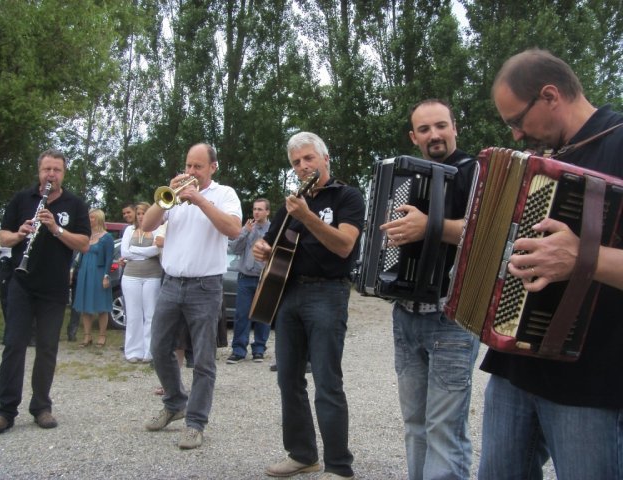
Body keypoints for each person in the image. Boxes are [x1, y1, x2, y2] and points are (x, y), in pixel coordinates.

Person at [478, 49, 623, 479]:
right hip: (514, 366)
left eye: (517, 121)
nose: (517, 136)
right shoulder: (544, 162)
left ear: (550, 95)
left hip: (590, 381)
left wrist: (583, 257)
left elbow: (578, 255)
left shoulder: (618, 142)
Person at [254, 132, 365, 480]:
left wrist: (309, 216)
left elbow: (345, 245)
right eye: (296, 162)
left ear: (325, 159)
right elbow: (270, 247)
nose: (303, 167)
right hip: (288, 294)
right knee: (288, 379)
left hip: (328, 294)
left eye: (308, 159)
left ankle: (338, 466)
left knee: (327, 381)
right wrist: (261, 250)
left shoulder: (347, 196)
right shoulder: (292, 204)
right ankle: (302, 455)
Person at [379, 99, 480, 479]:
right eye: (424, 129)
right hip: (404, 316)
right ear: (413, 136)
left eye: (441, 126)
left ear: (455, 127)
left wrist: (431, 227)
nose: (434, 135)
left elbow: (488, 235)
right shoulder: (406, 178)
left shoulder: (474, 172)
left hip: (450, 315)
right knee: (415, 425)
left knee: (444, 430)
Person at [141, 143, 241, 450]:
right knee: (158, 348)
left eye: (197, 167)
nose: (191, 173)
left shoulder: (225, 194)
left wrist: (199, 200)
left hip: (205, 286)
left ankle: (195, 422)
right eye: (188, 166)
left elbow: (234, 229)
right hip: (171, 284)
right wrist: (166, 201)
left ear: (213, 167)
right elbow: (146, 225)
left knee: (204, 360)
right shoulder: (175, 197)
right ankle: (175, 403)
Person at [0, 148, 90, 435]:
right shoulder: (22, 199)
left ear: (63, 173)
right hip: (22, 283)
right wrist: (20, 233)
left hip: (54, 288)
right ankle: (5, 411)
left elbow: (83, 244)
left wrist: (55, 229)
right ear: (39, 172)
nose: (51, 175)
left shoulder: (75, 204)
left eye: (56, 170)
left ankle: (41, 407)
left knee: (47, 348)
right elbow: (1, 238)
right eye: (47, 170)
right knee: (14, 345)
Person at [226, 198, 272, 364]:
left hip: (264, 279)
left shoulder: (273, 230)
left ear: (267, 212)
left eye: (260, 209)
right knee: (241, 315)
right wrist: (245, 231)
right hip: (245, 278)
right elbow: (233, 249)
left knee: (262, 315)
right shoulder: (247, 228)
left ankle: (259, 349)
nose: (256, 212)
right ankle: (238, 350)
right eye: (254, 209)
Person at [120, 202, 163, 363]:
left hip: (152, 275)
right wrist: (145, 253)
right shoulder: (129, 231)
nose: (140, 216)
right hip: (131, 275)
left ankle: (149, 351)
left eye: (143, 213)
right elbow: (124, 252)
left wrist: (134, 252)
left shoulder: (157, 229)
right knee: (133, 314)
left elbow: (156, 250)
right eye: (138, 213)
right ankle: (132, 351)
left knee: (151, 314)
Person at [72, 208, 115, 348]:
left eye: (92, 217)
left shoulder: (106, 237)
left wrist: (106, 276)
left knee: (102, 306)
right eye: (88, 217)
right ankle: (87, 336)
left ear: (99, 219)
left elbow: (109, 258)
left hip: (99, 272)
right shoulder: (86, 236)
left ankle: (102, 336)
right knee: (85, 304)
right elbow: (79, 255)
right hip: (85, 272)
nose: (89, 220)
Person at [0, 224, 13, 343]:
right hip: (6, 262)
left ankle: (31, 334)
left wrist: (10, 240)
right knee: (5, 299)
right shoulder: (5, 223)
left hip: (25, 262)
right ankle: (9, 331)